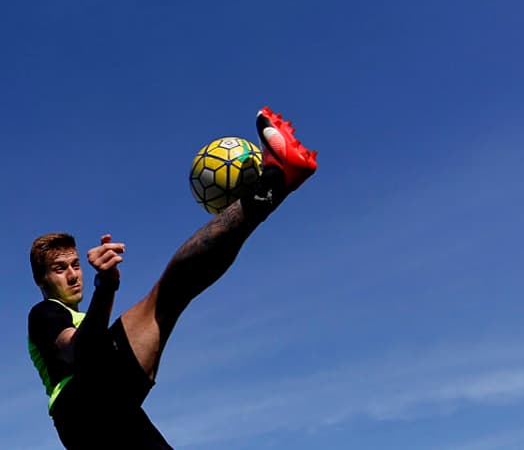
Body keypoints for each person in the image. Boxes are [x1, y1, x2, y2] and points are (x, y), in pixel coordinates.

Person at [27, 107, 317, 449]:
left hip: (108, 411)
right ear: (41, 280)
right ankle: (274, 181)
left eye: (75, 264)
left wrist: (105, 288)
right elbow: (79, 353)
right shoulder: (44, 314)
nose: (73, 274)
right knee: (169, 296)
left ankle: (275, 183)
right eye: (60, 269)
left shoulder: (79, 316)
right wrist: (105, 286)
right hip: (83, 405)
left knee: (174, 296)